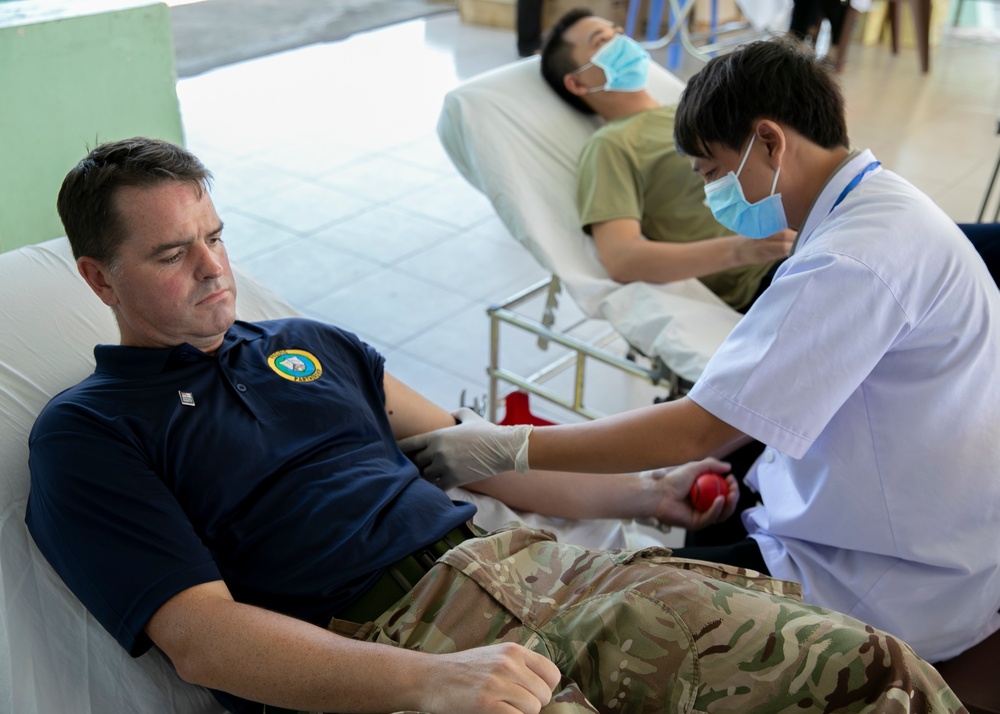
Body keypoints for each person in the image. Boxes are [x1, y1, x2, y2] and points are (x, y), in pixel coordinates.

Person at [23, 137, 964, 714]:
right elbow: (204, 639)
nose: (214, 269)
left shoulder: (307, 344)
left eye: (217, 237)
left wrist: (646, 494)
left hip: (537, 572)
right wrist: (427, 684)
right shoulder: (91, 435)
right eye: (172, 253)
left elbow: (487, 460)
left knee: (868, 669)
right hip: (387, 645)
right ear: (99, 280)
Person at [401, 37, 1000, 665]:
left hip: (888, 585)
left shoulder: (848, 262)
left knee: (598, 623)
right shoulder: (881, 207)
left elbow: (695, 431)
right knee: (638, 573)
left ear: (769, 141)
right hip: (923, 538)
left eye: (713, 172)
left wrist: (507, 446)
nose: (713, 194)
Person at [540, 9, 795, 313]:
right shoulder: (611, 146)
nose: (621, 41)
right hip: (766, 277)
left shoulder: (688, 109)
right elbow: (621, 259)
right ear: (578, 84)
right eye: (602, 41)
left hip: (807, 233)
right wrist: (748, 249)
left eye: (617, 32)